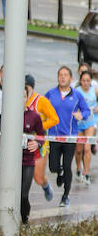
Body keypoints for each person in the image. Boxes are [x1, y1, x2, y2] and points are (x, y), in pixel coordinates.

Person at [0, 93, 45, 225]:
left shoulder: (34, 116)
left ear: (27, 98)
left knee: (23, 194)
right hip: (10, 161)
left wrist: (37, 143)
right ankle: (9, 222)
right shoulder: (6, 115)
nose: (21, 99)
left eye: (24, 96)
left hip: (27, 161)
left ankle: (25, 220)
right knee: (10, 193)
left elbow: (42, 135)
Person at [46, 66, 91, 206]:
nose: (63, 77)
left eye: (66, 75)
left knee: (67, 166)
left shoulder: (77, 95)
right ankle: (58, 172)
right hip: (53, 137)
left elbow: (86, 111)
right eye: (60, 75)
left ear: (71, 78)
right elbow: (41, 109)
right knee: (53, 166)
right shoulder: (50, 94)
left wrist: (81, 115)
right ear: (58, 77)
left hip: (70, 138)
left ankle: (65, 196)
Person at [25, 74, 59, 201]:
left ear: (32, 88)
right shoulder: (18, 99)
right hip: (23, 144)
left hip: (39, 144)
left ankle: (45, 185)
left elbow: (55, 119)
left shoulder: (41, 101)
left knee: (38, 178)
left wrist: (39, 126)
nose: (25, 90)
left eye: (27, 87)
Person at [76, 69, 98, 184]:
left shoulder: (94, 91)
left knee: (87, 148)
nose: (85, 83)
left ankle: (87, 172)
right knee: (79, 150)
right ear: (80, 81)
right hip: (79, 124)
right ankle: (79, 168)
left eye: (87, 81)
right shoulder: (76, 91)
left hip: (91, 122)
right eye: (83, 80)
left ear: (91, 81)